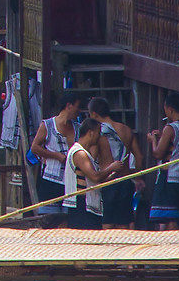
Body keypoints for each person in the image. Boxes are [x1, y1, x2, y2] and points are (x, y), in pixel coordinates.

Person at [87, 97, 137, 228]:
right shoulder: (126, 130)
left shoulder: (98, 132)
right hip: (126, 180)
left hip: (108, 181)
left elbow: (92, 156)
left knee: (107, 224)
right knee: (124, 225)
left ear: (94, 114)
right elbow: (140, 157)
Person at [30, 92, 80, 222]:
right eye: (77, 107)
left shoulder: (77, 128)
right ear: (69, 106)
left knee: (68, 221)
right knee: (48, 221)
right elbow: (35, 147)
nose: (79, 111)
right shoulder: (47, 125)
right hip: (50, 179)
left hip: (71, 181)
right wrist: (56, 156)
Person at [147, 93, 179, 229]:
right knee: (174, 215)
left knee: (168, 217)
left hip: (170, 177)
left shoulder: (170, 128)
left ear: (170, 109)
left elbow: (158, 153)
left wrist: (153, 140)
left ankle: (170, 246)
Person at [63, 116, 119, 230]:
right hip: (81, 204)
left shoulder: (85, 153)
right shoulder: (79, 153)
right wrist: (111, 167)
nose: (99, 136)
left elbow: (92, 180)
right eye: (98, 133)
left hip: (87, 204)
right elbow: (94, 176)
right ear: (91, 133)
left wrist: (109, 176)